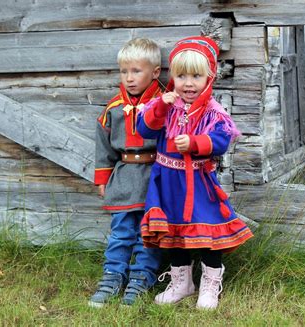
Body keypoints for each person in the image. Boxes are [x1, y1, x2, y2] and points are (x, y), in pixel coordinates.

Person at [136, 36, 254, 309]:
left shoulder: (212, 112)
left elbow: (221, 141)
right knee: (174, 232)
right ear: (172, 77)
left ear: (209, 77)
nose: (188, 83)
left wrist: (194, 144)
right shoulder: (166, 106)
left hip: (198, 183)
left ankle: (210, 285)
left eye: (196, 76)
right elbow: (144, 130)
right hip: (167, 182)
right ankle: (182, 283)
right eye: (181, 76)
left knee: (208, 233)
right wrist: (160, 106)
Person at [89, 38, 162, 307]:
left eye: (136, 71)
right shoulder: (114, 109)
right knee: (121, 231)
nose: (129, 78)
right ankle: (113, 275)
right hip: (123, 175)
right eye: (124, 71)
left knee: (149, 231)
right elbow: (103, 145)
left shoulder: (163, 106)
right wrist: (102, 177)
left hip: (155, 177)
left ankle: (142, 276)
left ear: (155, 72)